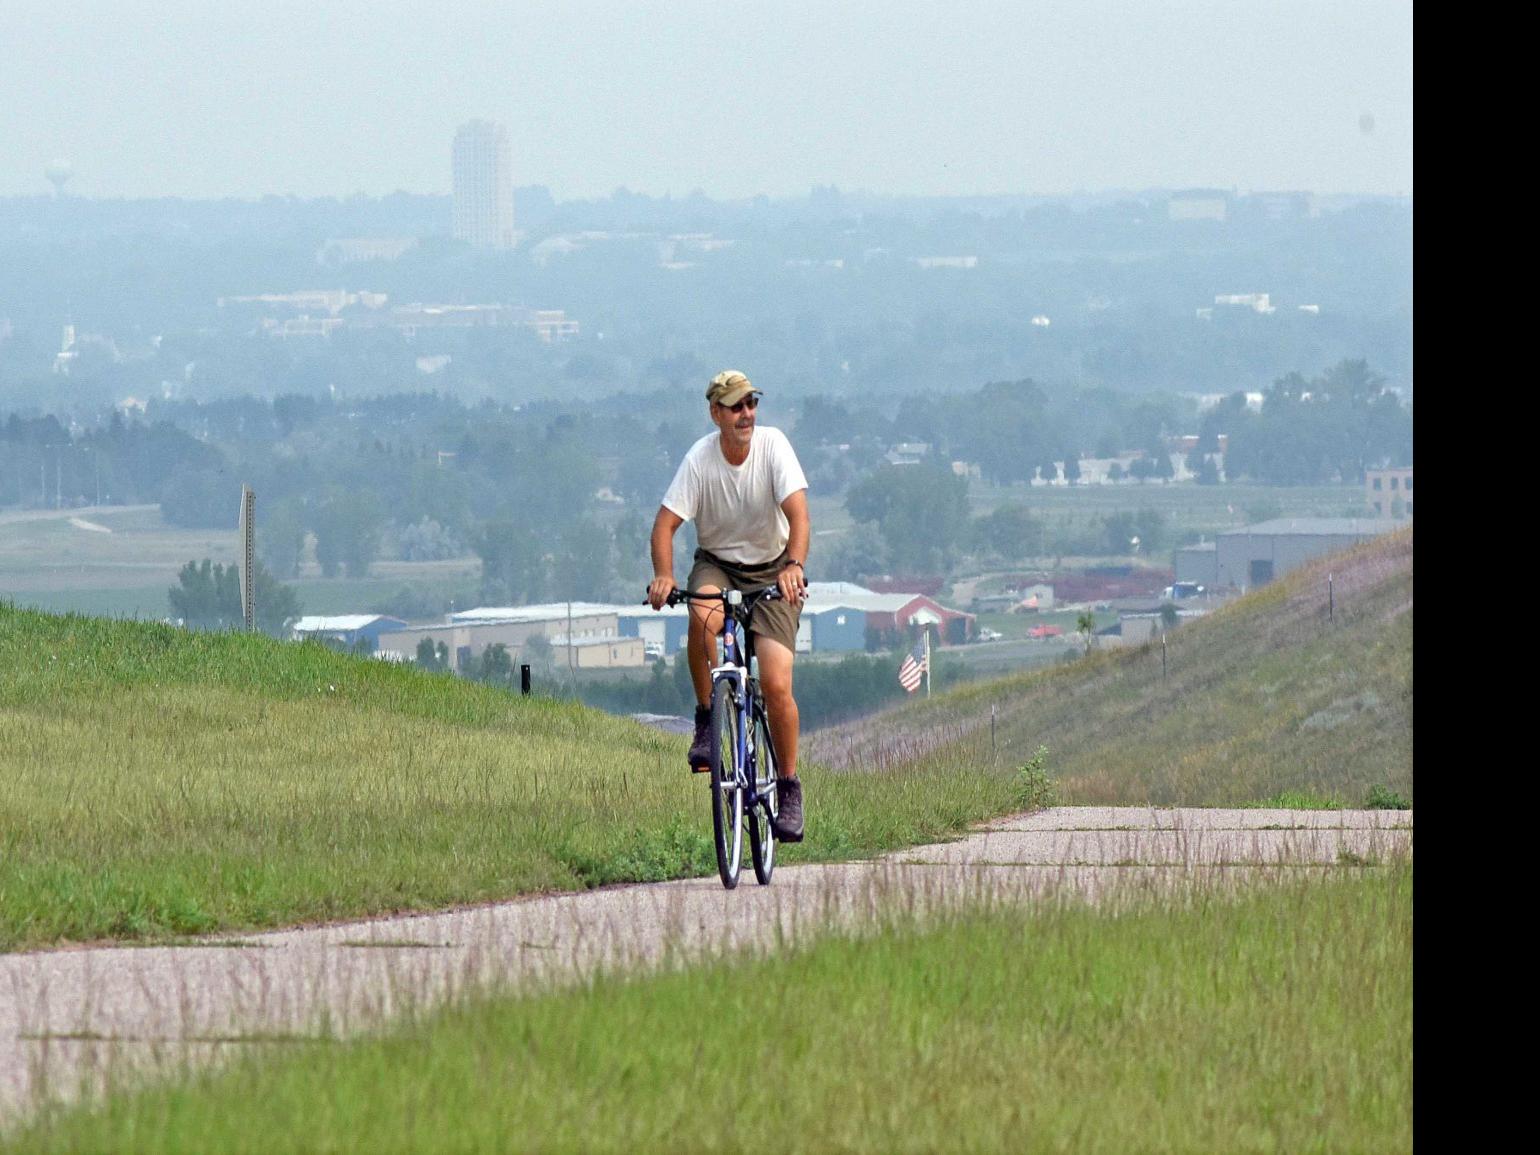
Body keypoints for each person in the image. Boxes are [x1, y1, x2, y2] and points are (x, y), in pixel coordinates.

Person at [647, 370, 810, 842]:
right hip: (718, 564)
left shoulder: (773, 446)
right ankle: (706, 718)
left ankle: (788, 787)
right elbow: (664, 527)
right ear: (715, 413)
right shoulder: (699, 460)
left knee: (777, 682)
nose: (746, 415)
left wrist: (794, 565)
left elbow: (798, 515)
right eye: (736, 407)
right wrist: (664, 575)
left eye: (751, 404)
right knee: (702, 620)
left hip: (773, 569)